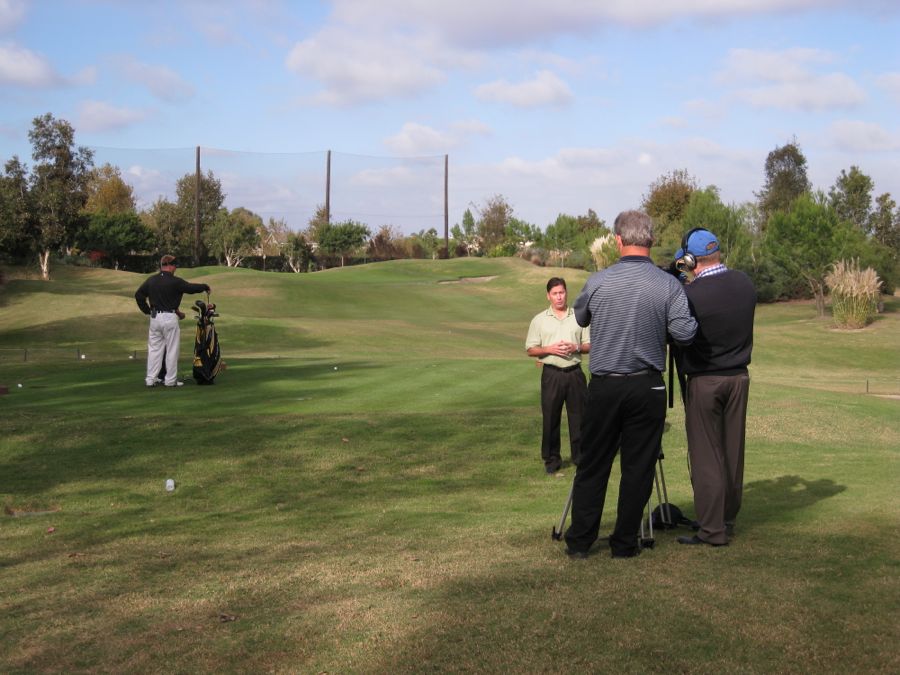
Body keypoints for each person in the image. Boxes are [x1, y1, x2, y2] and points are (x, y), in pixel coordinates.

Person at [564, 210, 697, 559]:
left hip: (605, 384)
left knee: (594, 464)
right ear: (650, 241)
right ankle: (624, 543)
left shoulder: (598, 281)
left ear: (619, 240)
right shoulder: (668, 284)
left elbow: (580, 317)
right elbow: (685, 334)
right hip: (646, 386)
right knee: (638, 468)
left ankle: (580, 542)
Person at [672, 228, 756, 547]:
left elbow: (680, 332)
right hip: (739, 377)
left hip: (705, 380)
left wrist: (680, 278)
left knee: (706, 454)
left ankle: (711, 529)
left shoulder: (691, 294)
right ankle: (727, 518)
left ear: (691, 259)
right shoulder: (744, 284)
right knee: (732, 451)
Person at [525, 277, 591, 475]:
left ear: (566, 293)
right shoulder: (539, 320)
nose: (559, 296)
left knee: (579, 418)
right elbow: (530, 349)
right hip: (552, 374)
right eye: (555, 293)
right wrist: (550, 349)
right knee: (551, 417)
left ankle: (580, 457)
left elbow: (589, 345)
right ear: (548, 296)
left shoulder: (579, 316)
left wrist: (576, 347)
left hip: (574, 373)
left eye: (561, 292)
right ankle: (552, 460)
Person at [135, 255, 211, 388]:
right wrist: (204, 286)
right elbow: (190, 288)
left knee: (154, 350)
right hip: (170, 318)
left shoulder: (151, 280)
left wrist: (147, 310)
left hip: (155, 318)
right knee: (171, 350)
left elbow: (139, 295)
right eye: (175, 266)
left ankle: (150, 379)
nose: (175, 268)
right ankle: (170, 380)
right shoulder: (175, 282)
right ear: (170, 266)